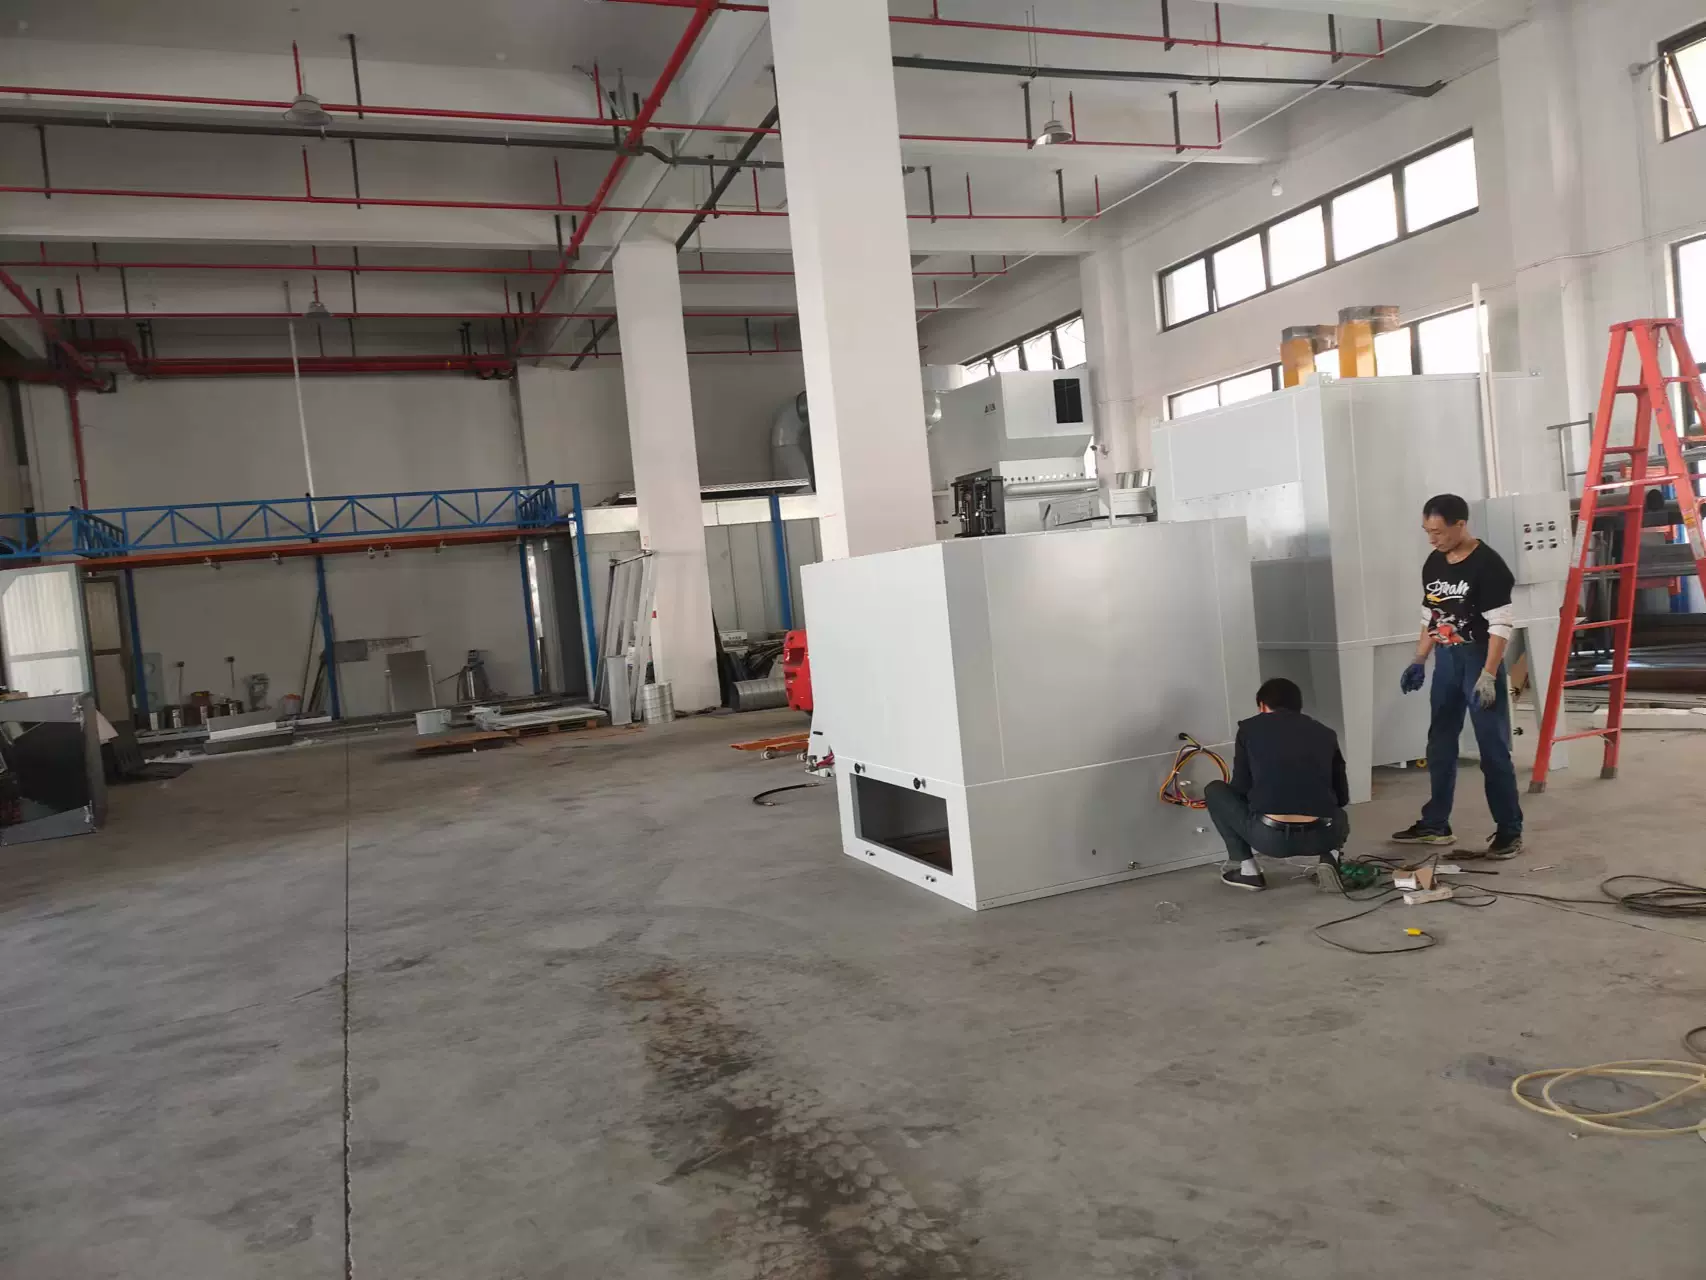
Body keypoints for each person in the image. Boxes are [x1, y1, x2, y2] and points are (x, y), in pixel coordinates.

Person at [1391, 493, 1523, 858]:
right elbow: (1430, 616)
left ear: (1460, 525)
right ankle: (1436, 823)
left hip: (1479, 660)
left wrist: (1489, 674)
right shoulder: (1434, 563)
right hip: (1447, 660)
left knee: (1492, 748)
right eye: (1427, 531)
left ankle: (1509, 830)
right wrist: (1419, 659)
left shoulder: (1489, 566)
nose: (1432, 539)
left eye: (1438, 531)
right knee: (1440, 743)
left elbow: (1501, 626)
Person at [1204, 677, 1350, 892]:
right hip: (1324, 837)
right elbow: (1342, 796)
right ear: (1299, 706)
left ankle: (1249, 871)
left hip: (1271, 839)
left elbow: (1241, 787)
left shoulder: (1249, 729)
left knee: (1215, 790)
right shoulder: (1326, 733)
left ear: (1263, 706)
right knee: (1339, 812)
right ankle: (1331, 858)